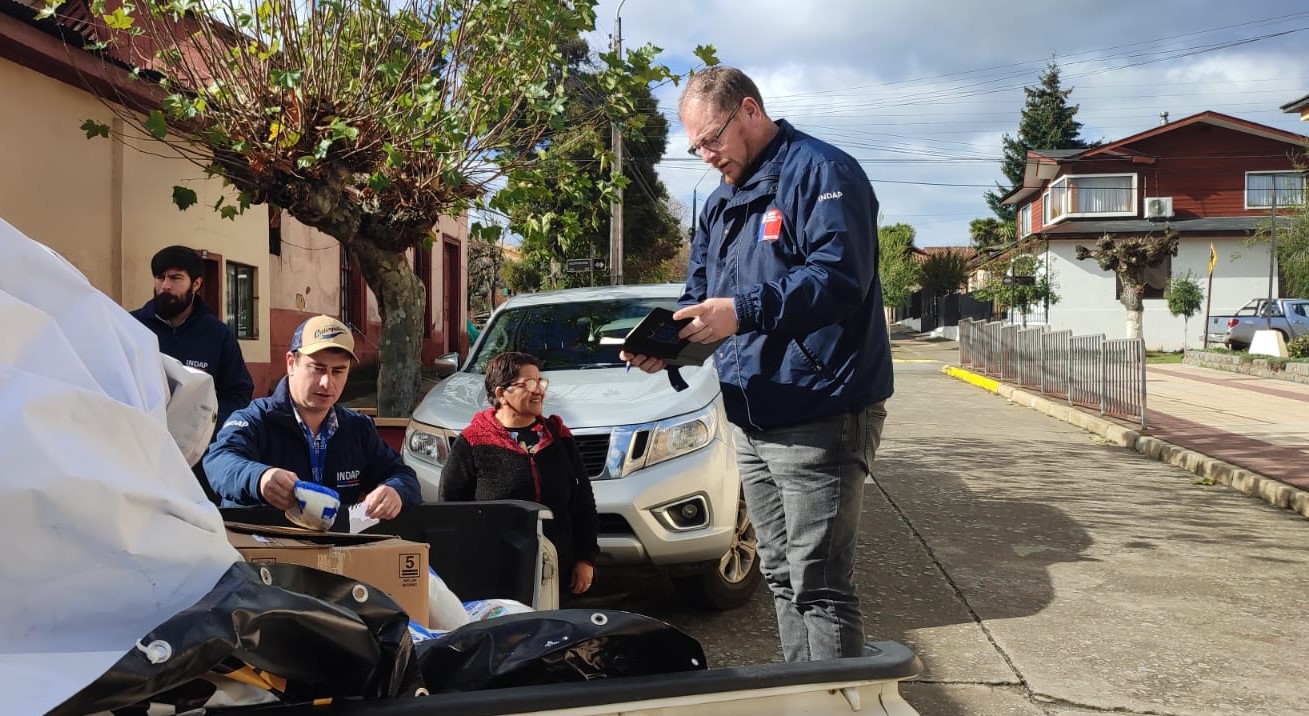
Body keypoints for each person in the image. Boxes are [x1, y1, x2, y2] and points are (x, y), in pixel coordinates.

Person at [622, 66, 893, 662]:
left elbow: (841, 279)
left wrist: (742, 311)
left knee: (819, 585)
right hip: (749, 415)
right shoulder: (719, 205)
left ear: (750, 110)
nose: (707, 155)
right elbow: (701, 302)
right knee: (777, 573)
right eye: (696, 146)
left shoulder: (824, 172)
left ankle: (835, 703)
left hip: (820, 409)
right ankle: (803, 695)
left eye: (712, 138)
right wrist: (666, 348)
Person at [204, 315, 420, 527]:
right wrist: (260, 478)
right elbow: (218, 461)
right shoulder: (255, 419)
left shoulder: (358, 428)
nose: (327, 383)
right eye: (317, 369)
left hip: (334, 555)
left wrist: (395, 491)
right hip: (261, 554)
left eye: (338, 371)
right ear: (291, 363)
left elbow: (403, 475)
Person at [440, 351, 599, 599]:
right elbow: (450, 510)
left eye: (541, 382)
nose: (540, 390)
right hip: (495, 576)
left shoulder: (558, 436)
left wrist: (585, 558)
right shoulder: (472, 442)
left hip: (556, 572)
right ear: (502, 393)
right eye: (530, 384)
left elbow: (583, 502)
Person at [131, 245, 254, 504]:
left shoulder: (218, 335)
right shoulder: (132, 327)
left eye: (175, 278)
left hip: (198, 466)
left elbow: (239, 393)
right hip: (140, 457)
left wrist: (205, 428)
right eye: (159, 277)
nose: (165, 285)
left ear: (196, 283)